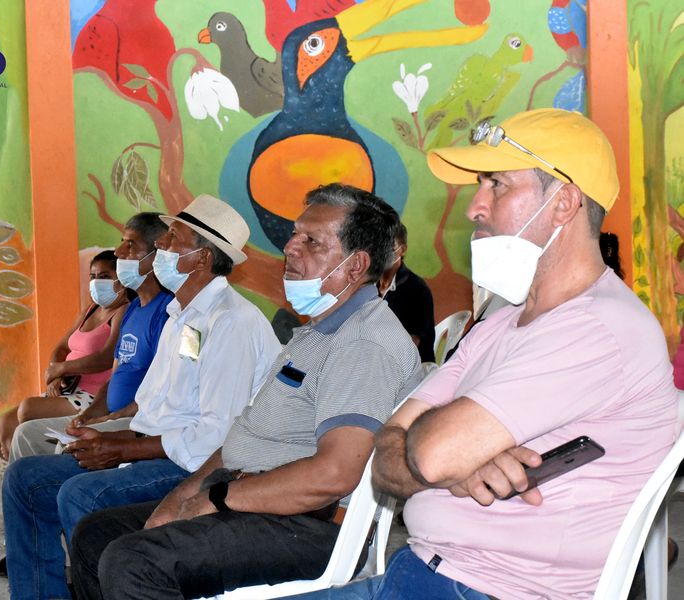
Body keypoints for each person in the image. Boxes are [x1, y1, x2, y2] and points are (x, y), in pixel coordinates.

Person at [289, 109, 678, 599]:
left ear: (563, 202)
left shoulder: (599, 328)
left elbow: (432, 454)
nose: (474, 207)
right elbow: (385, 455)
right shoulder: (501, 323)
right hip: (423, 573)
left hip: (487, 588)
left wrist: (443, 456)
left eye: (497, 184)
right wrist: (461, 464)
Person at [68, 183, 424, 600]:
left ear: (355, 265)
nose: (290, 247)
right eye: (294, 234)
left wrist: (218, 498)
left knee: (133, 562)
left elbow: (335, 473)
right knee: (96, 535)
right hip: (252, 494)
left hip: (307, 524)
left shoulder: (363, 344)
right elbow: (246, 432)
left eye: (311, 241)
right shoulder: (317, 333)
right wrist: (184, 494)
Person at [0, 194, 280, 600]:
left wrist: (121, 450)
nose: (161, 245)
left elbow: (216, 436)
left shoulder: (231, 322)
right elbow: (152, 408)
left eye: (173, 238)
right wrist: (107, 438)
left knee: (81, 494)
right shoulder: (180, 316)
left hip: (200, 466)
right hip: (162, 449)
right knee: (24, 480)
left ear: (201, 259)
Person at [0, 213, 174, 579]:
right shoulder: (134, 310)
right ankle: (28, 550)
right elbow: (116, 375)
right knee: (25, 434)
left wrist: (112, 418)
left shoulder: (167, 313)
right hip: (109, 412)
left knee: (64, 453)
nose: (120, 251)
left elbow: (160, 387)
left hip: (138, 419)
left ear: (156, 255)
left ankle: (70, 556)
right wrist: (91, 414)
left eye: (130, 245)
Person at [0, 250, 128, 460]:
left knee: (27, 409)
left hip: (90, 396)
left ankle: (31, 459)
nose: (96, 283)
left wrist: (63, 368)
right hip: (68, 388)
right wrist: (56, 376)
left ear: (121, 280)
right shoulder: (91, 309)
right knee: (6, 423)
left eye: (104, 277)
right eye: (93, 277)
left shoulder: (123, 310)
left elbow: (106, 357)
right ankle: (23, 460)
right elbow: (62, 347)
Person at [378, 222, 436, 362]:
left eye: (390, 247)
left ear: (403, 250)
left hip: (410, 366)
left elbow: (412, 344)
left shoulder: (418, 290)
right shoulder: (367, 285)